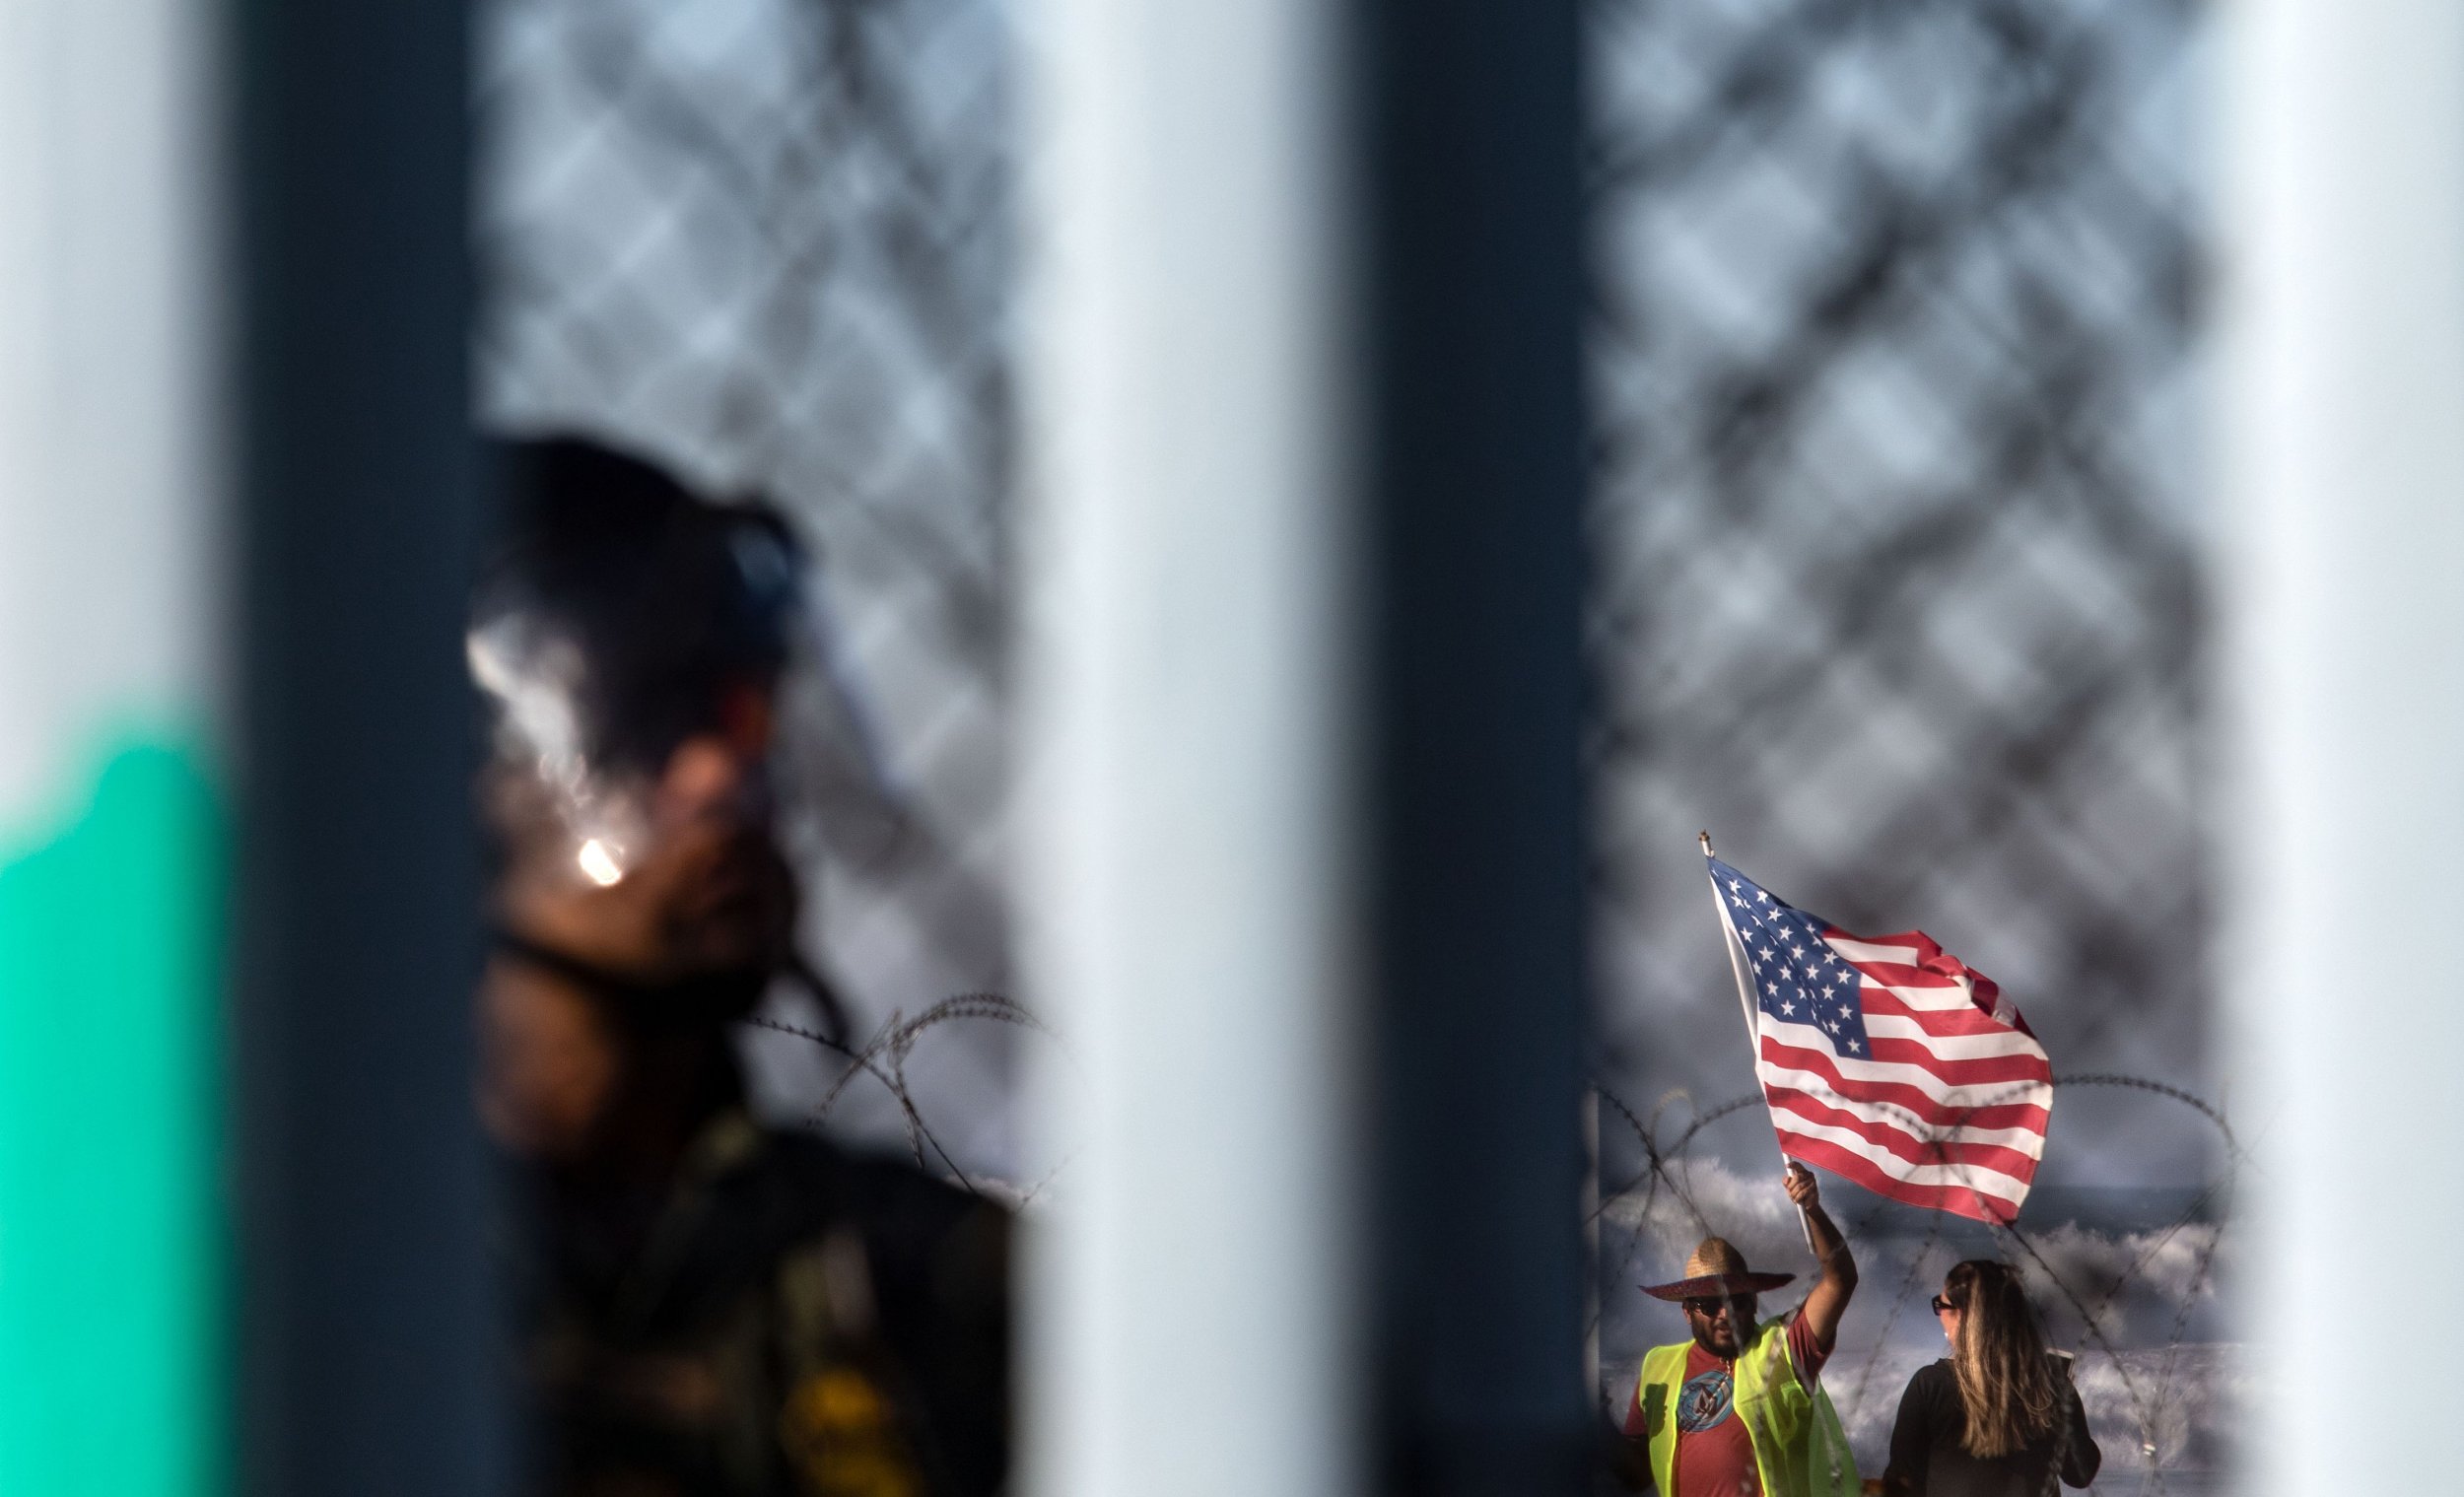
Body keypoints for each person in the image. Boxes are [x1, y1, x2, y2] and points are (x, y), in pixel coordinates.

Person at [472, 435, 1010, 1497]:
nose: (725, 774)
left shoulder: (915, 1288)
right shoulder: (278, 1286)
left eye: (740, 716)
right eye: (644, 725)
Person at [1618, 1163, 1862, 1497]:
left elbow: (1840, 1281)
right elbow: (1634, 1477)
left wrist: (1813, 1210)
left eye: (1738, 1302)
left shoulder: (1785, 1348)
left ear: (1753, 1302)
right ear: (1687, 1312)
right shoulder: (1656, 1368)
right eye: (1709, 1305)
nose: (1724, 1314)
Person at [1881, 1260, 2098, 1497]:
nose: (1939, 1315)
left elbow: (1900, 1484)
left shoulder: (1931, 1385)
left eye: (1940, 1305)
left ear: (1960, 1314)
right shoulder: (2050, 1385)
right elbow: (2080, 1473)